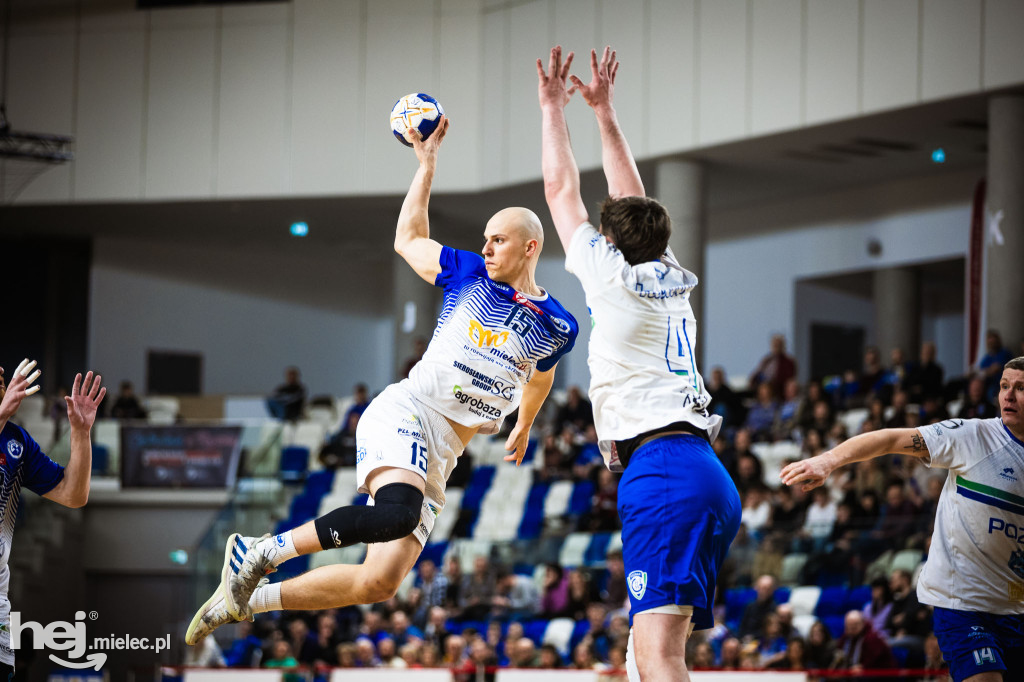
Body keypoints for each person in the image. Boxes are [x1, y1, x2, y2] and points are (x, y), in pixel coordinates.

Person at [187, 116, 578, 645]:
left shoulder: (557, 323)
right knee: (398, 514)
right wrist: (427, 167)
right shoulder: (467, 273)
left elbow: (540, 377)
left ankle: (247, 600)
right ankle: (259, 552)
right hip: (409, 412)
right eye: (485, 238)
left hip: (446, 451)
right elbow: (408, 238)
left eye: (499, 240)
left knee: (379, 583)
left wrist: (526, 424)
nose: (486, 248)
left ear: (530, 248)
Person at [538, 45, 741, 682]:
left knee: (658, 658)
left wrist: (552, 109)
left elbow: (559, 188)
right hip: (701, 470)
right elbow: (633, 197)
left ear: (614, 243)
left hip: (662, 472)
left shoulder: (612, 278)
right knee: (639, 653)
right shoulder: (669, 272)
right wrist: (604, 112)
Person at [782, 356, 1024, 682]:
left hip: (1015, 606)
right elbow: (890, 439)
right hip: (963, 602)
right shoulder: (973, 436)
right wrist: (828, 460)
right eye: (1004, 386)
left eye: (1020, 388)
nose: (1008, 396)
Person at [0, 360, 106, 678]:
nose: (2, 375)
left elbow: (72, 494)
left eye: (1, 373)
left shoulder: (17, 442)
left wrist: (81, 433)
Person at [749, 335, 797, 400]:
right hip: (764, 391)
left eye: (778, 345)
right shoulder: (767, 360)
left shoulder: (789, 362)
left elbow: (789, 381)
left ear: (783, 346)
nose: (776, 347)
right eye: (774, 345)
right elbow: (756, 374)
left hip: (779, 395)